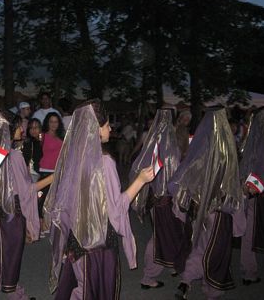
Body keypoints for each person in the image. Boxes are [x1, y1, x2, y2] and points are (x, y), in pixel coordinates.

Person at [43, 99, 154, 299]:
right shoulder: (104, 162)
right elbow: (115, 207)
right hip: (98, 242)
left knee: (79, 287)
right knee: (91, 291)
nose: (110, 128)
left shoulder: (73, 157)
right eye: (106, 125)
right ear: (96, 129)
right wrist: (140, 180)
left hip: (76, 238)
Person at [0, 110, 54, 300]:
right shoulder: (13, 156)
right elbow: (27, 191)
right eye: (18, 127)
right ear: (8, 130)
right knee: (8, 260)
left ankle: (16, 296)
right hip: (10, 216)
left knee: (5, 258)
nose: (22, 130)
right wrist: (54, 178)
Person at [169, 107, 246, 300]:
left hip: (198, 209)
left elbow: (182, 176)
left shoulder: (200, 146)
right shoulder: (227, 150)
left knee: (199, 246)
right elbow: (231, 183)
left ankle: (185, 281)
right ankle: (212, 290)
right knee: (215, 251)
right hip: (218, 212)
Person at [129, 109, 183, 289]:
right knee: (160, 236)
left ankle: (172, 264)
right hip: (164, 200)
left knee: (169, 234)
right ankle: (148, 276)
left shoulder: (154, 143)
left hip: (158, 198)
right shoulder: (168, 145)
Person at [239, 108, 264, 285]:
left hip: (253, 195)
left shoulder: (248, 145)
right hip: (262, 196)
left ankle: (248, 272)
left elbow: (244, 171)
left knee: (249, 233)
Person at [38, 112, 65, 236]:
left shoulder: (62, 136)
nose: (53, 124)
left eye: (56, 121)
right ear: (47, 123)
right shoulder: (41, 136)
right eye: (51, 121)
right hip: (44, 171)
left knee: (55, 200)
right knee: (42, 200)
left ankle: (51, 224)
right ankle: (41, 226)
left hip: (58, 171)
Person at [22, 118, 43, 183]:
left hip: (45, 172)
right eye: (31, 128)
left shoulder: (44, 140)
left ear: (40, 129)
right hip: (34, 175)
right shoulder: (27, 143)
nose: (33, 130)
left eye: (36, 127)